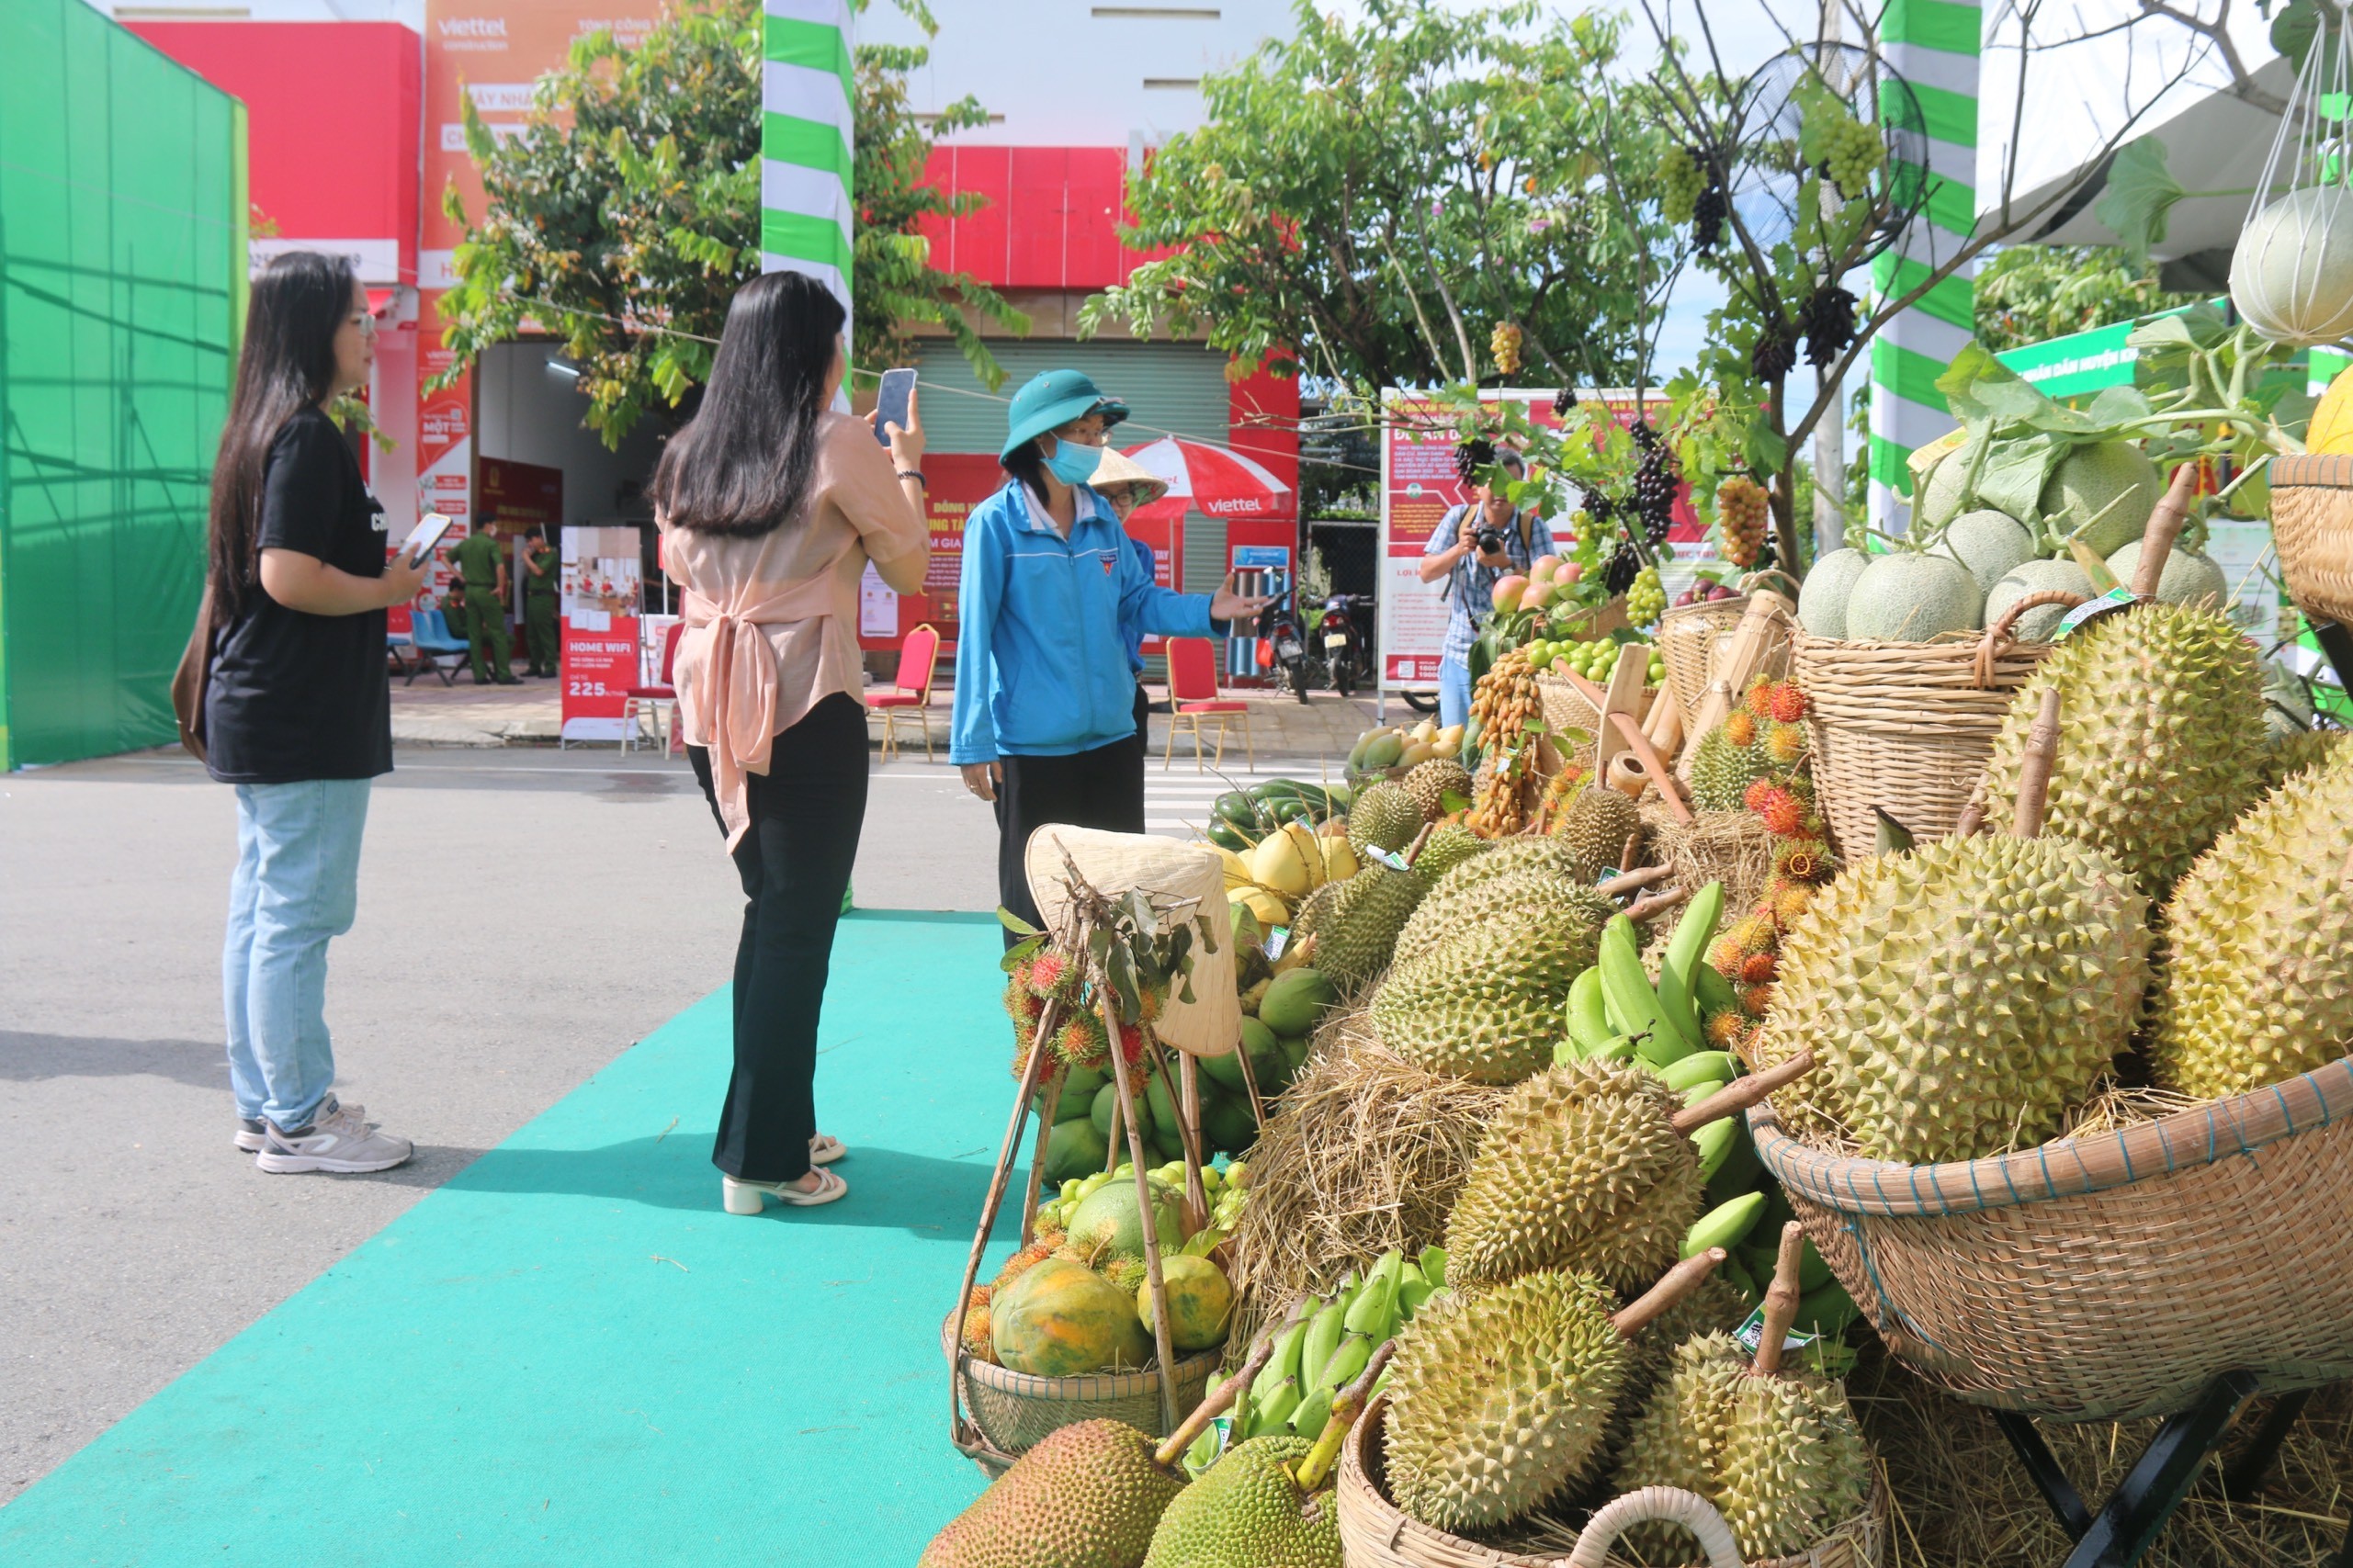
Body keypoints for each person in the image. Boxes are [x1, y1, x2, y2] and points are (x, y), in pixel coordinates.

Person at [652, 270, 929, 1216]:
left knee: (771, 915)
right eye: (836, 342)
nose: (844, 360)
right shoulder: (838, 444)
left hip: (711, 696)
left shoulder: (690, 452)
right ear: (813, 352)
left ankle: (777, 1120)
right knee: (795, 928)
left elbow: (677, 561)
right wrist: (908, 466)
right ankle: (761, 1158)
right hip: (804, 693)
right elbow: (909, 561)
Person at [201, 251, 427, 1175]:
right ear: (309, 332)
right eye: (353, 321)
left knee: (264, 909)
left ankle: (270, 1107)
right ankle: (299, 1119)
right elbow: (286, 576)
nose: (368, 335)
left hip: (265, 706)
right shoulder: (304, 439)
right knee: (295, 914)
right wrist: (389, 587)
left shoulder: (260, 432)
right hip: (299, 716)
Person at [949, 370, 1270, 943]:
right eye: (1085, 431)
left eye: (1099, 432)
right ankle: (1039, 1030)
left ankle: (1116, 1026)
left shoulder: (1101, 518)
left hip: (1112, 741)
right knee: (1037, 908)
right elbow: (975, 635)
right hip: (1032, 748)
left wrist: (1210, 611)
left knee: (1121, 902)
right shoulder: (994, 525)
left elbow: (1138, 600)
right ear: (1043, 441)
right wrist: (973, 743)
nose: (1097, 445)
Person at [1417, 446, 1553, 730]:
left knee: (1505, 751)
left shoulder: (1533, 528)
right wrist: (1459, 549)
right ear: (1480, 487)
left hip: (1515, 661)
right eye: (1495, 483)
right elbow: (1426, 572)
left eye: (1510, 483)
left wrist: (1506, 565)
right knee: (1455, 745)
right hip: (1460, 652)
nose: (1501, 492)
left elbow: (1547, 592)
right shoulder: (1459, 518)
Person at [1088, 446, 1173, 763]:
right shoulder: (1066, 554)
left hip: (1126, 685)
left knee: (1123, 798)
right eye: (1105, 496)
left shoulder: (1140, 554)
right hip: (1081, 691)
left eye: (1123, 496)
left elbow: (1140, 609)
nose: (1116, 506)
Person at [449, 519, 517, 684]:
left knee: (474, 634)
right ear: (487, 525)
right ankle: (503, 674)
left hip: (470, 591)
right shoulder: (490, 544)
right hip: (487, 591)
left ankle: (479, 675)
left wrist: (459, 576)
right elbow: (500, 567)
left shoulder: (466, 543)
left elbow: (445, 558)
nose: (495, 527)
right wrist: (500, 586)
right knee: (498, 633)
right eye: (494, 524)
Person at [521, 526, 560, 677]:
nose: (530, 544)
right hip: (532, 597)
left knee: (545, 633)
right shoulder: (536, 555)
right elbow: (529, 571)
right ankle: (534, 665)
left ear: (539, 538)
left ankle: (550, 666)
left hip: (543, 598)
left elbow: (538, 572)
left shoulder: (549, 553)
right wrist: (529, 559)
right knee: (531, 634)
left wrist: (526, 558)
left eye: (531, 541)